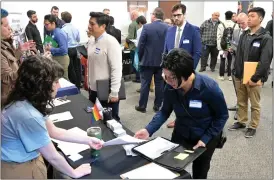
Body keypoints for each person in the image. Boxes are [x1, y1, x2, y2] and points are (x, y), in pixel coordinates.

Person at [1, 55, 104, 179]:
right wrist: (74, 172)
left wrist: (87, 140)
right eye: (55, 82)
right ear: (40, 84)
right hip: (20, 169)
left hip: (23, 162)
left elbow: (54, 131)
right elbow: (52, 156)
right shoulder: (28, 115)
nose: (59, 87)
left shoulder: (25, 100)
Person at [135, 48, 229, 179]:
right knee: (172, 168)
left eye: (172, 78)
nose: (168, 81)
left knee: (200, 171)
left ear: (186, 74)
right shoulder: (170, 86)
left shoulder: (209, 88)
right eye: (165, 76)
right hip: (182, 133)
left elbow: (222, 116)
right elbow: (164, 111)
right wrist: (148, 130)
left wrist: (205, 139)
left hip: (205, 135)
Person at [228, 7, 273, 138]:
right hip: (240, 74)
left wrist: (255, 77)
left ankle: (253, 125)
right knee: (241, 101)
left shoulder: (266, 38)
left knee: (254, 103)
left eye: (252, 16)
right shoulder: (245, 35)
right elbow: (239, 55)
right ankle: (241, 121)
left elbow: (265, 61)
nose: (249, 18)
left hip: (254, 77)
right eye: (248, 16)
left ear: (260, 19)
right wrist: (236, 71)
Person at [163, 3, 202, 128]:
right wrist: (164, 70)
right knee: (175, 97)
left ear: (184, 15)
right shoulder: (170, 30)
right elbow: (165, 51)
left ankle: (189, 120)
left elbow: (197, 52)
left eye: (179, 15)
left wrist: (189, 72)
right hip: (171, 72)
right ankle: (178, 119)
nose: (176, 18)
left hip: (186, 73)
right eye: (174, 16)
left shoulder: (193, 30)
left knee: (188, 97)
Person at [87, 12, 122, 121]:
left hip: (106, 89)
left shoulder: (111, 42)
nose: (89, 26)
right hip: (93, 89)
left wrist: (114, 92)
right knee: (96, 118)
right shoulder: (91, 40)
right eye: (89, 23)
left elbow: (116, 68)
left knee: (111, 121)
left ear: (103, 26)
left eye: (92, 24)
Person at [135, 8, 169, 113]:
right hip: (162, 62)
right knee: (160, 84)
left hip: (147, 61)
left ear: (154, 15)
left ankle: (142, 106)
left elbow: (141, 45)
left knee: (145, 84)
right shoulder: (168, 28)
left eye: (151, 14)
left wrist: (140, 58)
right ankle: (157, 106)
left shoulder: (146, 27)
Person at [1, 8, 36, 106]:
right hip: (8, 99)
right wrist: (28, 66)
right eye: (6, 25)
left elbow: (11, 60)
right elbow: (7, 78)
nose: (10, 29)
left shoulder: (5, 44)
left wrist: (20, 50)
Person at [227, 13, 249, 116]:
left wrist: (235, 49)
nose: (240, 25)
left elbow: (245, 50)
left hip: (245, 65)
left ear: (247, 20)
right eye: (238, 23)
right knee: (237, 88)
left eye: (242, 23)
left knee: (243, 89)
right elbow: (232, 43)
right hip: (234, 63)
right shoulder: (236, 31)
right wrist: (231, 49)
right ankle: (238, 104)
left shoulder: (250, 33)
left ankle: (241, 110)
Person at [44, 14, 70, 80]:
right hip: (56, 58)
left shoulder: (58, 33)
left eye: (47, 24)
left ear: (53, 23)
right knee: (58, 79)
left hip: (62, 58)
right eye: (45, 24)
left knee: (64, 79)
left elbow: (64, 50)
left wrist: (51, 49)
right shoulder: (51, 32)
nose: (45, 26)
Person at [61, 11, 81, 89]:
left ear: (63, 20)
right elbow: (78, 39)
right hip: (75, 49)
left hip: (68, 50)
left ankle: (73, 85)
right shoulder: (75, 28)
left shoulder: (63, 30)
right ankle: (78, 85)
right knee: (77, 68)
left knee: (70, 69)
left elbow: (63, 42)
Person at [134, 15, 154, 93]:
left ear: (139, 23)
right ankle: (152, 86)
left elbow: (139, 44)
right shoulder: (151, 28)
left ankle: (144, 88)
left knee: (143, 73)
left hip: (143, 53)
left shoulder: (140, 30)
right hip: (151, 53)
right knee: (151, 71)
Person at [217, 11, 239, 81]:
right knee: (230, 61)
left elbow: (219, 37)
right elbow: (236, 37)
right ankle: (230, 76)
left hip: (223, 46)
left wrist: (219, 47)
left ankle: (221, 75)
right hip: (231, 46)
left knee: (223, 60)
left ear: (225, 16)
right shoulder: (236, 25)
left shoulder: (221, 25)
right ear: (232, 16)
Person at [126, 10, 140, 83]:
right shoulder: (141, 24)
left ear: (133, 16)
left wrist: (126, 39)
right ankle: (140, 77)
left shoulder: (132, 24)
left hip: (133, 47)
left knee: (135, 63)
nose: (130, 17)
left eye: (130, 15)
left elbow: (130, 36)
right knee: (139, 62)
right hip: (140, 47)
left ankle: (137, 78)